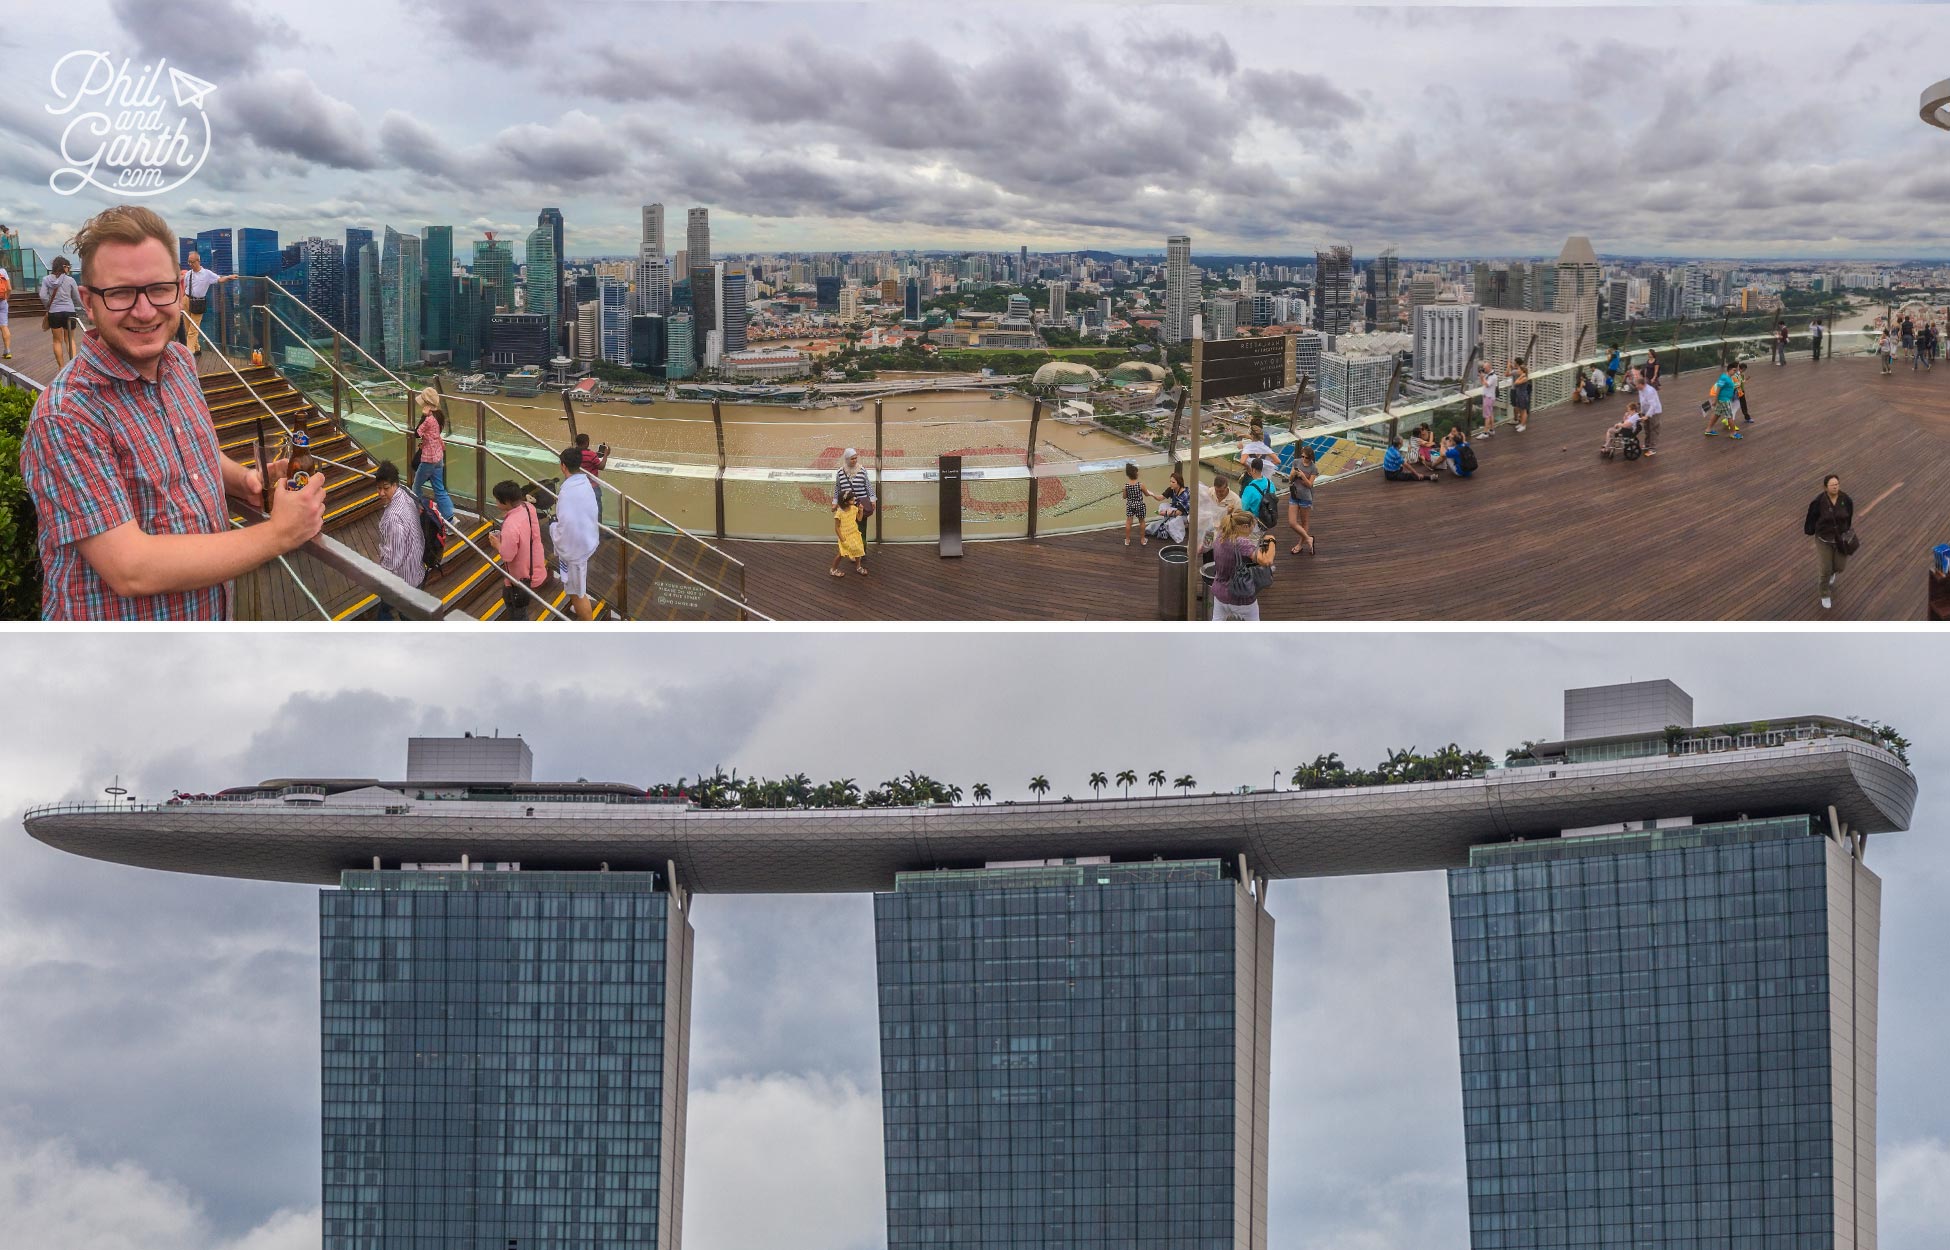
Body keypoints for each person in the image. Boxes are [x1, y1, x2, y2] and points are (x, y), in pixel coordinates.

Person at [19, 205, 325, 619]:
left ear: (179, 291)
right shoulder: (67, 416)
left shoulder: (179, 362)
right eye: (121, 293)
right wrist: (278, 534)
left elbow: (198, 457)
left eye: (159, 289)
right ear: (89, 303)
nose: (144, 311)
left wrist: (246, 480)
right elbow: (131, 568)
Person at [551, 446, 602, 620]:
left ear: (563, 466)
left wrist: (553, 528)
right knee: (578, 587)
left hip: (575, 549)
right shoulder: (585, 483)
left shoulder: (567, 491)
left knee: (577, 592)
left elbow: (567, 526)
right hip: (586, 540)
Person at [371, 459, 424, 621]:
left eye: (385, 488)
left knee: (400, 614)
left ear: (395, 484)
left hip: (401, 580)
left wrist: (381, 575)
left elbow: (394, 559)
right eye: (378, 488)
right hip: (417, 568)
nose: (381, 493)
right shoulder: (407, 494)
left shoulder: (392, 518)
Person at [488, 479, 548, 616]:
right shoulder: (528, 508)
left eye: (497, 500)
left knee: (518, 610)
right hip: (535, 566)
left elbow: (508, 555)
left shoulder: (510, 525)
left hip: (521, 577)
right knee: (509, 596)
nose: (496, 503)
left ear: (506, 502)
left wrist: (497, 543)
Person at [1209, 506, 1274, 622]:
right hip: (1240, 596)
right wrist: (1272, 541)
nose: (1251, 531)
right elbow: (1267, 561)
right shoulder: (1241, 542)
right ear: (1244, 526)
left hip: (1219, 593)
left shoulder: (1221, 534)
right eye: (1251, 527)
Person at [1803, 473, 1855, 611]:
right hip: (1824, 539)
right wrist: (1811, 530)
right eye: (1832, 485)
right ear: (1825, 487)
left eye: (1837, 484)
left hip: (1840, 540)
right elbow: (1811, 517)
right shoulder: (1819, 502)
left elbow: (1849, 516)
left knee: (1840, 567)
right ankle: (1824, 593)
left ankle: (1833, 572)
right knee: (1825, 569)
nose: (1835, 487)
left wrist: (1846, 530)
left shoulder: (1845, 499)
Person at [411, 386, 454, 522]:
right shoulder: (440, 415)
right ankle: (450, 519)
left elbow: (416, 433)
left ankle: (420, 514)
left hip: (428, 458)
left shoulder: (429, 419)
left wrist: (424, 416)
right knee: (440, 489)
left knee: (416, 487)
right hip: (438, 457)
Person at [178, 249, 232, 358]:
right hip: (187, 300)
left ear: (198, 261)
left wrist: (229, 277)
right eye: (189, 262)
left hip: (198, 302)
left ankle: (189, 353)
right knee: (188, 328)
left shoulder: (207, 273)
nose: (190, 264)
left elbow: (219, 279)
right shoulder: (189, 274)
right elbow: (186, 286)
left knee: (193, 329)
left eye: (192, 262)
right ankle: (197, 348)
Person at [40, 256, 82, 369]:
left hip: (54, 312)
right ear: (64, 267)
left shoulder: (46, 279)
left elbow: (43, 296)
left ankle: (61, 368)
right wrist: (85, 308)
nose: (69, 269)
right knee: (70, 339)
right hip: (69, 312)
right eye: (69, 267)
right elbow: (77, 298)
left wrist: (48, 306)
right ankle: (73, 367)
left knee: (57, 341)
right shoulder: (70, 280)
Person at [1117, 461, 1164, 547]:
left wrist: (1124, 491)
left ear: (1128, 475)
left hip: (1130, 505)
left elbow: (1124, 497)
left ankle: (1127, 540)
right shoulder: (1141, 485)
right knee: (1142, 522)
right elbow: (1146, 494)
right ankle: (1142, 540)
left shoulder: (1125, 486)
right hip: (1139, 505)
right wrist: (1151, 493)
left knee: (1128, 522)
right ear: (1136, 474)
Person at [1286, 440, 1317, 555]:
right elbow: (1290, 479)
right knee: (1292, 522)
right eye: (1303, 456)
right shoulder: (1296, 462)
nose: (1304, 459)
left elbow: (1310, 485)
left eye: (1306, 458)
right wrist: (1294, 474)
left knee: (1304, 522)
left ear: (1311, 458)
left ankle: (1300, 545)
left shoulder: (1313, 468)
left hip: (1305, 497)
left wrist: (1303, 476)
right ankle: (1309, 538)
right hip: (1294, 495)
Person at [831, 486, 867, 577]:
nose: (854, 500)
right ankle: (833, 569)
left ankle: (858, 567)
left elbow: (859, 519)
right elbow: (837, 527)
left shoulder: (854, 508)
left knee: (858, 550)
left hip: (854, 533)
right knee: (842, 554)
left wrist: (861, 510)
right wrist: (842, 539)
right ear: (845, 502)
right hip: (845, 536)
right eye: (851, 500)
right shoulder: (839, 513)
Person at [1239, 454, 1282, 528]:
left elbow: (1243, 508)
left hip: (1254, 524)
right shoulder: (1270, 483)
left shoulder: (1249, 489)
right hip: (1267, 521)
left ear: (1253, 470)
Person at [1196, 473, 1235, 553]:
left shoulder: (1235, 500)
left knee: (1218, 554)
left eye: (1221, 491)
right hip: (1209, 529)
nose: (1218, 493)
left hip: (1223, 534)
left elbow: (1237, 522)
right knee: (1205, 549)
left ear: (1226, 487)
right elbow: (1203, 506)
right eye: (1217, 491)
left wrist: (1228, 514)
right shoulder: (1210, 492)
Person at [1703, 367, 1741, 438]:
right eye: (1734, 370)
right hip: (1724, 400)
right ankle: (1733, 433)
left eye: (1736, 371)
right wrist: (1715, 400)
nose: (1735, 372)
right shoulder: (1724, 378)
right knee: (1729, 416)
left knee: (1717, 414)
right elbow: (1718, 389)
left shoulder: (1729, 378)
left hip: (1723, 400)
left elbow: (1726, 387)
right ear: (1729, 369)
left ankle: (1708, 430)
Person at [1635, 374, 1662, 456]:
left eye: (1637, 385)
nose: (1636, 387)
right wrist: (1641, 412)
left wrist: (1647, 416)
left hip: (1654, 412)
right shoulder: (1640, 390)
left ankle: (1652, 448)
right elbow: (1642, 402)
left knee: (1653, 429)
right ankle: (1647, 445)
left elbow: (1653, 405)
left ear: (1642, 384)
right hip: (1645, 411)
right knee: (1647, 429)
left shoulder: (1650, 391)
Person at [1508, 358, 1532, 432]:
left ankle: (1523, 425)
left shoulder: (1524, 378)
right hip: (1519, 394)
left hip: (1523, 395)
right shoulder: (1522, 376)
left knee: (1523, 410)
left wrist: (1521, 376)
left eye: (1519, 370)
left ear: (1522, 371)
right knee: (1520, 409)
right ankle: (1521, 423)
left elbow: (1516, 383)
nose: (1518, 371)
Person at [1478, 362, 1499, 436]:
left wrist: (1482, 377)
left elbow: (1487, 384)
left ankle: (1485, 432)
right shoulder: (1488, 375)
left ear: (1489, 367)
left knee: (1487, 415)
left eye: (1485, 368)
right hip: (1489, 396)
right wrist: (1482, 377)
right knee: (1490, 414)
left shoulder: (1493, 376)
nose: (1484, 369)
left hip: (1488, 397)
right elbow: (1483, 383)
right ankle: (1492, 429)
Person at [0, 255, 11, 360]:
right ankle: (7, 350)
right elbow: (9, 288)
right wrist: (6, 298)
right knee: (4, 326)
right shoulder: (3, 271)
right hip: (2, 301)